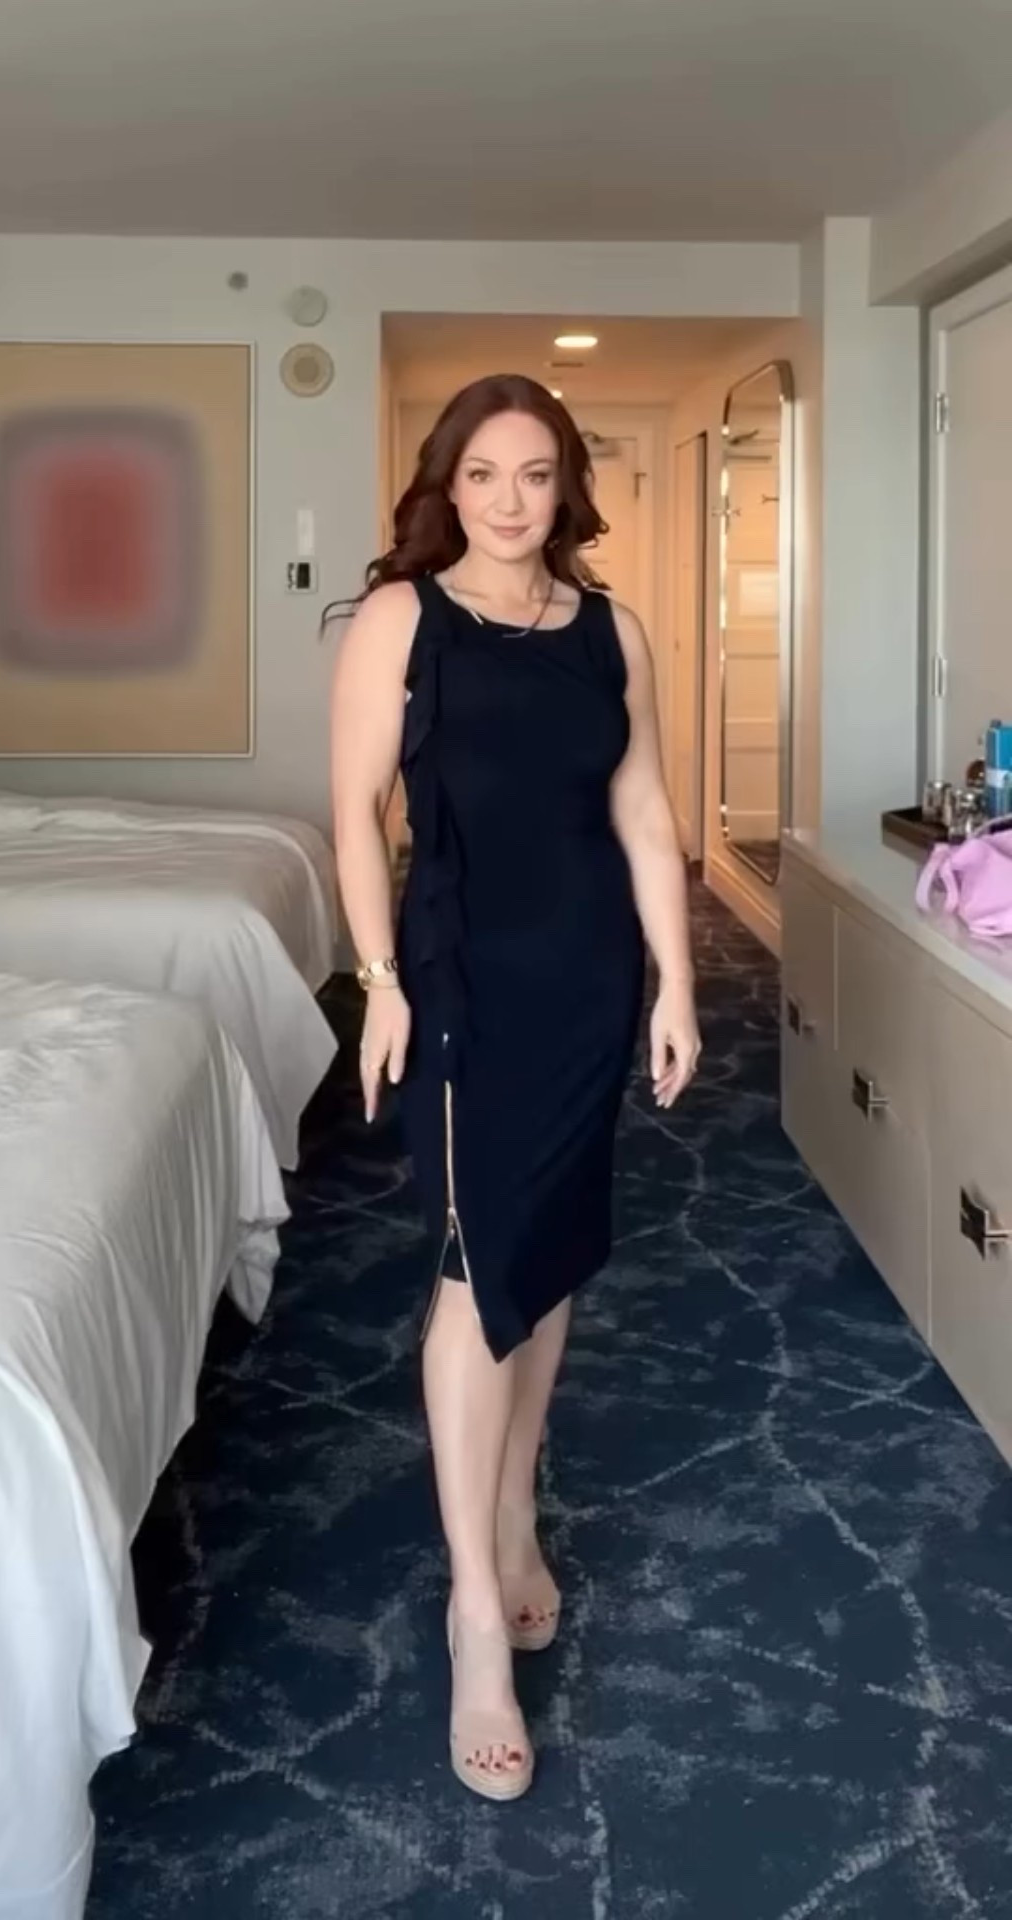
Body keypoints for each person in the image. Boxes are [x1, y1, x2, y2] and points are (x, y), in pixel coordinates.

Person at [330, 373, 700, 1803]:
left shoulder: (612, 629)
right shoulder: (403, 619)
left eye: (534, 473)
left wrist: (675, 981)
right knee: (475, 1259)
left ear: (566, 489)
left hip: (587, 978)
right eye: (481, 473)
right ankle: (474, 1613)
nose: (507, 500)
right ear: (447, 485)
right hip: (463, 981)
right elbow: (358, 810)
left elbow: (644, 808)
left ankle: (515, 1507)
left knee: (544, 1257)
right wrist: (381, 978)